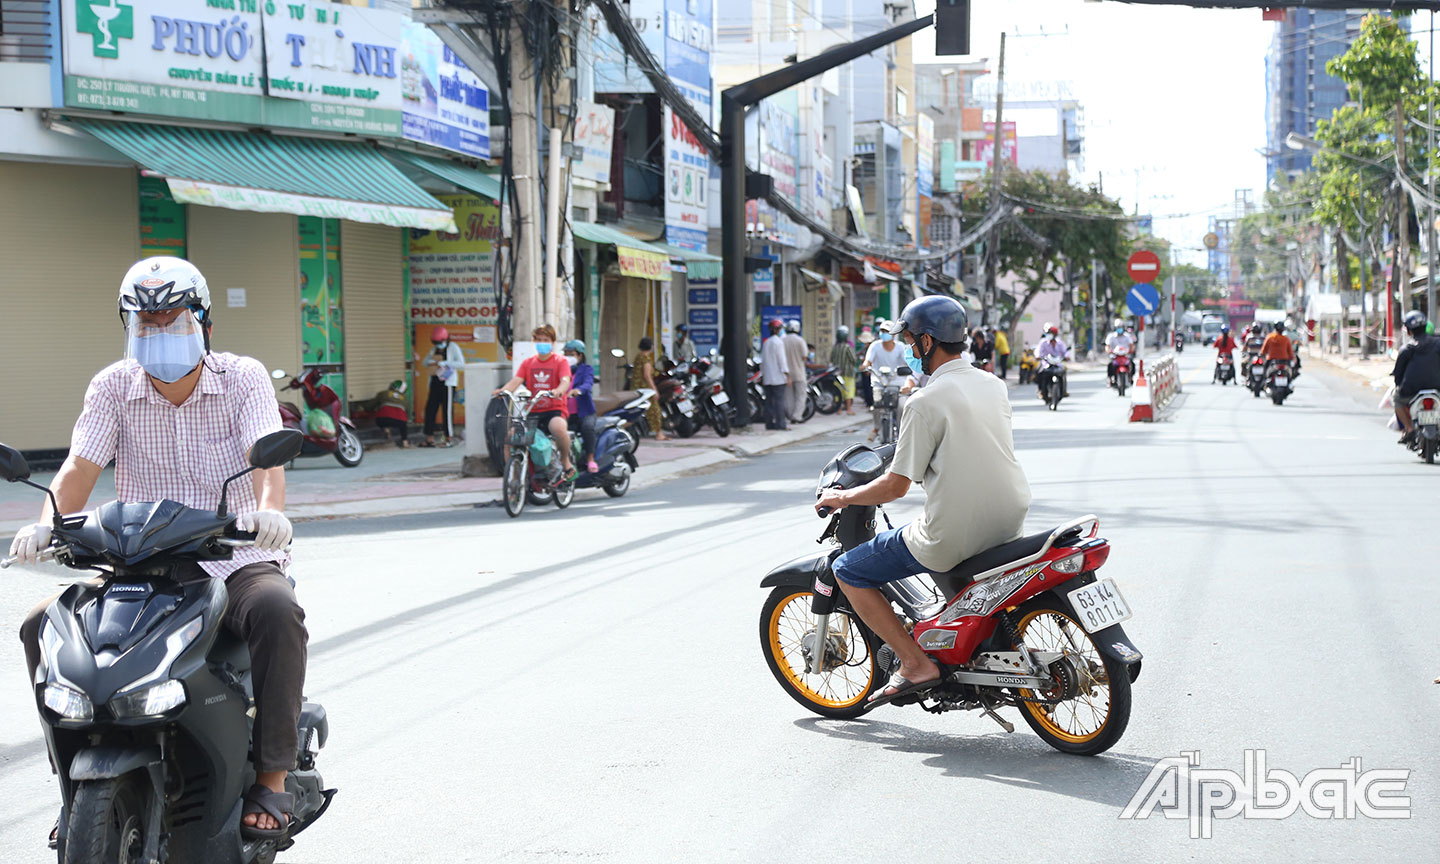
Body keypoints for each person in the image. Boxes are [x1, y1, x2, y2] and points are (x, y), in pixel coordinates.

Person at [12, 257, 306, 840]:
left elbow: (266, 460)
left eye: (171, 319)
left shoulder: (243, 378)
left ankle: (274, 776)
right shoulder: (113, 386)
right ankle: (73, 781)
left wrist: (270, 512)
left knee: (277, 611)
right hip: (139, 563)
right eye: (144, 323)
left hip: (232, 556)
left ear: (203, 323)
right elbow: (78, 467)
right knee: (37, 627)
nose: (158, 332)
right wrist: (46, 522)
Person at [816, 295, 1031, 706]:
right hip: (1009, 518)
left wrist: (844, 497)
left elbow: (895, 487)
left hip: (955, 532)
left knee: (848, 569)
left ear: (928, 342)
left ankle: (915, 664)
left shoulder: (924, 401)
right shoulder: (992, 383)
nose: (911, 351)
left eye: (913, 342)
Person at [494, 325, 575, 479]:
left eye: (546, 340)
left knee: (558, 428)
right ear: (534, 341)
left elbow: (565, 380)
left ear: (552, 342)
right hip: (533, 410)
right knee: (511, 438)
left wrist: (558, 390)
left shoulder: (560, 362)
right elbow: (517, 380)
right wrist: (504, 391)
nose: (542, 343)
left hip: (554, 410)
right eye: (539, 340)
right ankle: (514, 478)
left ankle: (565, 462)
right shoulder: (528, 363)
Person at [1393, 311, 1440, 445]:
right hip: (1437, 387)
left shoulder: (1406, 349)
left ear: (1408, 331)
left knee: (1396, 399)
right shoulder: (1438, 343)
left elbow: (1398, 375)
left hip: (1411, 391)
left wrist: (1399, 385)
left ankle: (1409, 428)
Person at [860, 326, 909, 441]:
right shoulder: (875, 346)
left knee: (901, 406)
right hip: (879, 382)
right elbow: (868, 361)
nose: (884, 333)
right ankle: (876, 428)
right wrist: (865, 366)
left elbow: (907, 362)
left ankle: (903, 432)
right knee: (877, 405)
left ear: (893, 334)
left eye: (887, 331)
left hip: (897, 382)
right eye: (882, 331)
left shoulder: (900, 347)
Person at [422, 327, 465, 447]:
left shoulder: (453, 347)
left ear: (445, 339)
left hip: (448, 383)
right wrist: (431, 361)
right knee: (430, 409)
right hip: (435, 382)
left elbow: (461, 364)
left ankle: (449, 438)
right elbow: (424, 363)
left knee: (447, 411)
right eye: (436, 343)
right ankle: (429, 438)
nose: (438, 345)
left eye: (439, 342)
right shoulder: (434, 349)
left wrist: (446, 363)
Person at [563, 340, 599, 474]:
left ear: (580, 355)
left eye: (571, 354)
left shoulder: (586, 369)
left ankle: (591, 459)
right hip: (566, 413)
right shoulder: (561, 369)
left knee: (587, 428)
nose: (568, 357)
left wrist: (578, 390)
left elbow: (588, 383)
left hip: (585, 412)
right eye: (566, 354)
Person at [629, 336, 669, 441]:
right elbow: (647, 375)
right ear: (651, 347)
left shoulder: (638, 356)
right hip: (645, 389)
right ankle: (659, 433)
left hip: (636, 387)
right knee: (655, 410)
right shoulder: (646, 359)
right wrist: (654, 389)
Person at [759, 319, 791, 430]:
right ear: (777, 330)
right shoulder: (778, 342)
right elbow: (782, 361)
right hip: (778, 378)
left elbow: (762, 361)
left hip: (768, 378)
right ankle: (781, 424)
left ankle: (769, 424)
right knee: (779, 402)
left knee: (769, 403)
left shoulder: (766, 342)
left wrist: (762, 375)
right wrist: (788, 375)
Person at [368, 379, 411, 447]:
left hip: (383, 419)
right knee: (403, 424)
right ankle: (405, 441)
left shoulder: (383, 393)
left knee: (381, 417)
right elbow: (407, 413)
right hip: (400, 421)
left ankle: (386, 429)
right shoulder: (405, 399)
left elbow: (371, 405)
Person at [829, 325, 860, 415]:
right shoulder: (847, 347)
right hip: (848, 373)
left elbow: (831, 359)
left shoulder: (835, 348)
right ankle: (848, 409)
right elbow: (853, 360)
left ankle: (838, 410)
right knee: (848, 391)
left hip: (837, 374)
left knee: (838, 392)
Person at [783, 319, 809, 423]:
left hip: (786, 374)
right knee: (801, 395)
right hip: (799, 373)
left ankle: (790, 416)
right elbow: (805, 357)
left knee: (789, 397)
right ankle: (797, 416)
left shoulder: (782, 340)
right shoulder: (800, 340)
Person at [1035, 326, 1069, 399]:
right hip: (1046, 363)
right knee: (1039, 372)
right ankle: (1040, 390)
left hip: (1058, 363)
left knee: (1063, 372)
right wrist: (1038, 356)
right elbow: (1038, 351)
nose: (1048, 335)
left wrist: (1067, 356)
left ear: (1055, 334)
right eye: (1047, 333)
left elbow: (1065, 351)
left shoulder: (1060, 343)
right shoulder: (1043, 342)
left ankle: (1064, 390)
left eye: (1050, 333)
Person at [1105, 320, 1136, 386]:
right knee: (1110, 364)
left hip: (1125, 355)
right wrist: (1109, 351)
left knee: (1132, 364)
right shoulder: (1111, 336)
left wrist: (1131, 350)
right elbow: (1107, 346)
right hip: (1115, 355)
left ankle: (1131, 377)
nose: (1119, 329)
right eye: (1118, 327)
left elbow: (1131, 345)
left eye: (1121, 327)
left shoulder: (1127, 336)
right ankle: (1110, 379)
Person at [857, 326, 876, 409]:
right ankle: (868, 402)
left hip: (870, 371)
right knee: (865, 387)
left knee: (869, 387)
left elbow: (871, 360)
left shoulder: (872, 348)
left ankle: (871, 403)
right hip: (864, 370)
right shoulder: (864, 348)